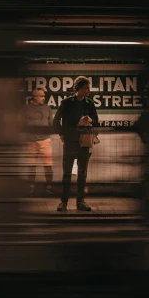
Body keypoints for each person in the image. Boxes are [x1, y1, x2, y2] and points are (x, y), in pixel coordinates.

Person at [53, 75, 99, 211]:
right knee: (67, 172)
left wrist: (90, 120)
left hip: (84, 142)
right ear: (78, 88)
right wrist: (61, 134)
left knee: (82, 172)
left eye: (88, 88)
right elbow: (56, 121)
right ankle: (63, 202)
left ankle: (80, 201)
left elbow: (96, 121)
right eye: (85, 88)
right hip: (70, 141)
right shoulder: (67, 102)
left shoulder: (90, 103)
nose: (88, 91)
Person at [21, 87, 55, 196]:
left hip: (45, 140)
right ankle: (31, 187)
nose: (44, 98)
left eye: (44, 96)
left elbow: (51, 123)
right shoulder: (26, 109)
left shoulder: (47, 109)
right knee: (31, 165)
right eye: (41, 96)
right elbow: (21, 124)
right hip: (31, 141)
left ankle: (49, 187)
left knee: (48, 165)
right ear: (35, 96)